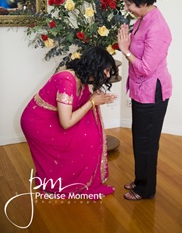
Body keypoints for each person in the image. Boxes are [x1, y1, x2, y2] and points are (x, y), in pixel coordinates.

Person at [20, 46, 118, 199]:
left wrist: (94, 98)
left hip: (54, 117)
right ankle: (62, 182)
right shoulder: (66, 80)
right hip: (39, 123)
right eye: (105, 70)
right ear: (94, 67)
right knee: (82, 136)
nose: (107, 75)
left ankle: (75, 178)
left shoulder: (83, 78)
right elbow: (66, 122)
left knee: (90, 131)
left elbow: (78, 104)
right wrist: (92, 102)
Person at [117, 0, 172, 200]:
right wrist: (126, 44)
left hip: (153, 92)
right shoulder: (142, 19)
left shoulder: (156, 27)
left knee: (147, 144)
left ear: (142, 0)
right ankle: (141, 180)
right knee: (140, 140)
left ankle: (146, 189)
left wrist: (125, 50)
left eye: (129, 3)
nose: (127, 7)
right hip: (142, 90)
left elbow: (146, 68)